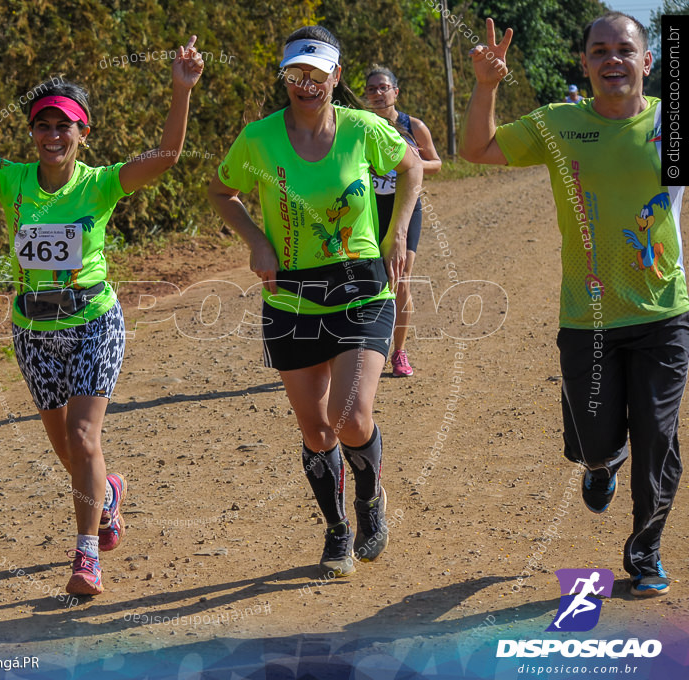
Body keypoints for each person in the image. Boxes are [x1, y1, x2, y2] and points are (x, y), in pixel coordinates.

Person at [0, 40, 203, 595]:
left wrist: (182, 90)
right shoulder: (12, 179)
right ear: (32, 133)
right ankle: (106, 496)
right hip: (32, 329)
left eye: (65, 126)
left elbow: (167, 157)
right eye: (43, 126)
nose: (53, 136)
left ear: (84, 134)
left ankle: (85, 556)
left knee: (83, 440)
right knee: (66, 449)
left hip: (92, 321)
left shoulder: (99, 183)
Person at [461, 12, 686, 596]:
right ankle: (600, 461)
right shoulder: (560, 125)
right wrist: (486, 87)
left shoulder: (671, 119)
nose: (613, 59)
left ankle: (645, 553)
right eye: (600, 51)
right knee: (595, 433)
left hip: (664, 312)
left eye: (625, 49)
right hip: (587, 317)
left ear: (647, 60)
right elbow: (477, 150)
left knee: (658, 439)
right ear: (584, 64)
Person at [208, 26, 422, 577]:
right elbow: (220, 191)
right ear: (285, 76)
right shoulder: (258, 140)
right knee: (315, 430)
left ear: (336, 77)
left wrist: (398, 233)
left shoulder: (363, 129)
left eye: (317, 74)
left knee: (348, 414)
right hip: (292, 297)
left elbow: (412, 166)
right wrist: (257, 241)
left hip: (360, 288)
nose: (306, 84)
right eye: (296, 73)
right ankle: (336, 531)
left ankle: (370, 499)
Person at [364, 66, 442, 377]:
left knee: (401, 278)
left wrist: (412, 162)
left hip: (406, 207)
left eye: (383, 87)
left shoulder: (413, 126)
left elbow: (436, 163)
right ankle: (366, 349)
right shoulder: (362, 127)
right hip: (369, 208)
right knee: (368, 277)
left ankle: (399, 352)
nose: (378, 93)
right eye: (371, 89)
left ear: (396, 92)